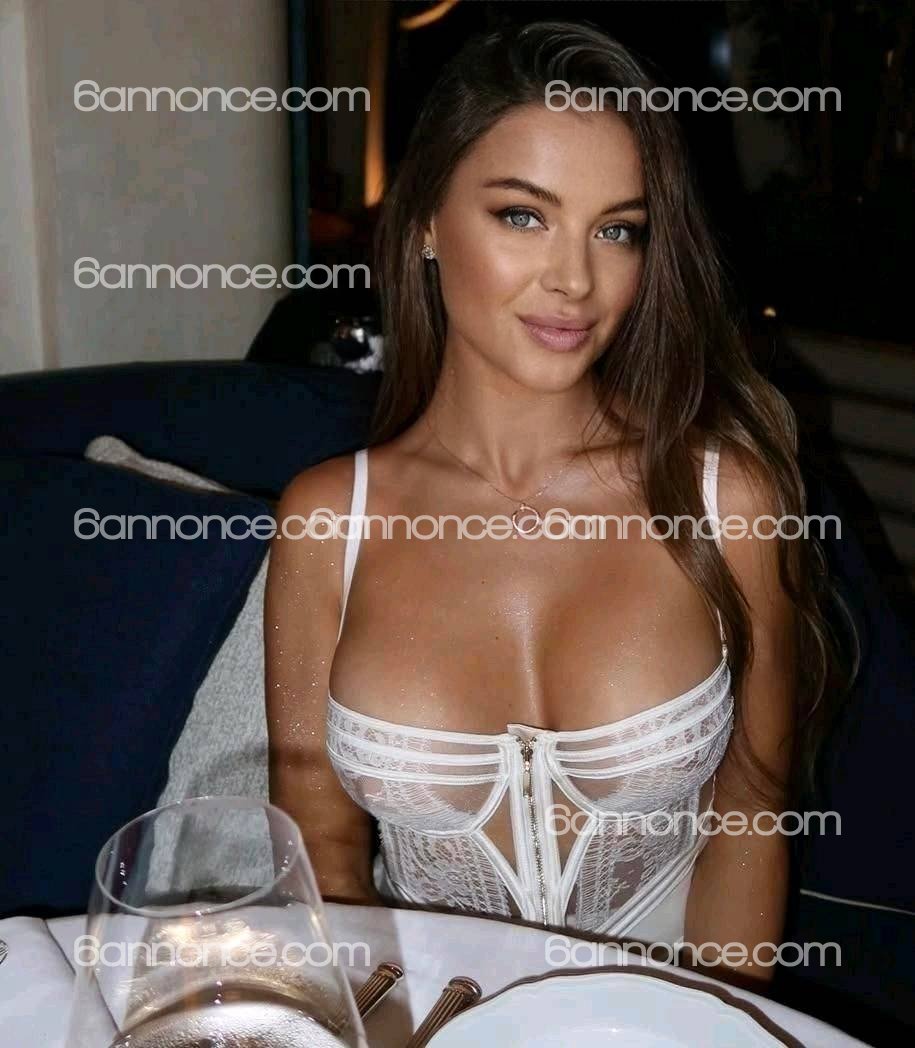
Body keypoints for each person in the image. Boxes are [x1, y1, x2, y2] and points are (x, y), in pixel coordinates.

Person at [264, 21, 854, 989]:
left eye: (617, 229)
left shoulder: (726, 502)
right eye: (522, 216)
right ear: (425, 222)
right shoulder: (329, 521)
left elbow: (750, 821)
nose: (575, 280)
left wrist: (712, 1025)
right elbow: (319, 849)